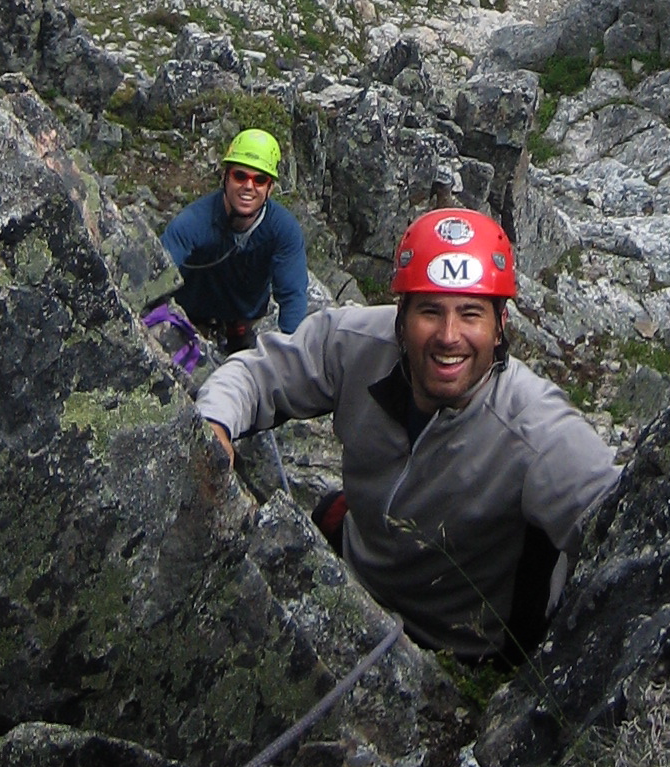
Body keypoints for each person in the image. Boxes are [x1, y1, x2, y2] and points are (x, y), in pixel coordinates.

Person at [197, 205, 620, 660]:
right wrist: (214, 425)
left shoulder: (535, 428)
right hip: (353, 574)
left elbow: (613, 519)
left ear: (500, 327)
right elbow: (259, 373)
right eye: (430, 311)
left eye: (471, 314)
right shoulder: (356, 342)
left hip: (457, 646)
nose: (449, 336)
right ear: (402, 316)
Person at [161, 127, 310, 349]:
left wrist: (291, 356)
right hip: (188, 320)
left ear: (270, 189)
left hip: (240, 326)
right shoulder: (192, 223)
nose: (248, 186)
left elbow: (292, 297)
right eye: (240, 175)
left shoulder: (283, 230)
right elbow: (160, 273)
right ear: (225, 177)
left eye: (259, 180)